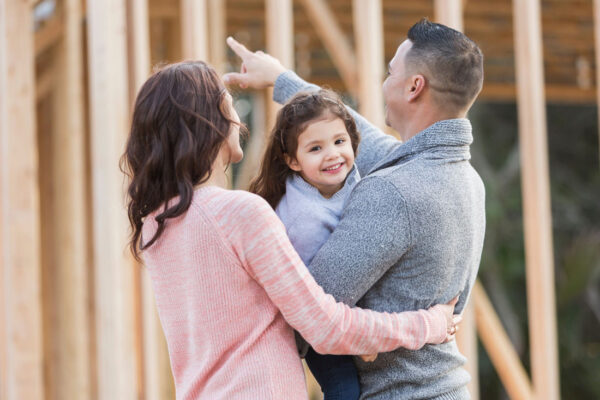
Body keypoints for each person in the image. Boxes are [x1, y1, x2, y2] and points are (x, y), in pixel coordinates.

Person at [121, 60, 461, 400]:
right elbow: (325, 326)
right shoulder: (239, 213)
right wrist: (429, 324)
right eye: (229, 107)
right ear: (207, 123)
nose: (237, 120)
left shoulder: (157, 225)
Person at [224, 18, 486, 400]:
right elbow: (355, 135)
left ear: (414, 87)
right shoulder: (464, 179)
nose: (384, 83)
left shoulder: (394, 192)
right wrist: (282, 78)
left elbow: (309, 309)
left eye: (390, 71)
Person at [250, 89, 366, 400]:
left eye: (340, 142)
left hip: (339, 309)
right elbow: (317, 292)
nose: (332, 154)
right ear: (293, 161)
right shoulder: (302, 219)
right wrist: (361, 339)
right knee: (345, 390)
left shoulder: (354, 178)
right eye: (316, 148)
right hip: (310, 321)